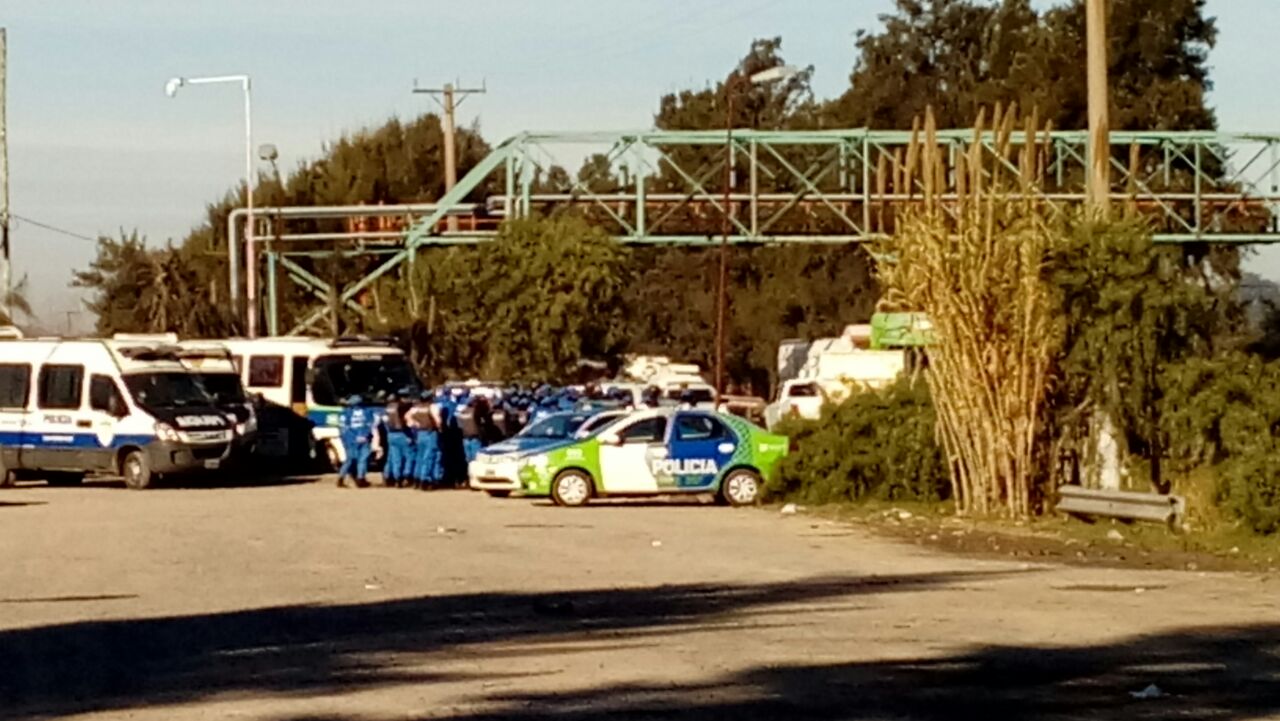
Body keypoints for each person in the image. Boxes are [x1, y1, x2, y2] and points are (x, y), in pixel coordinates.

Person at [336, 394, 373, 488]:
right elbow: (369, 425)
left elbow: (343, 428)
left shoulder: (345, 413)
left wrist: (355, 437)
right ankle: (356, 478)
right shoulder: (367, 412)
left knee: (354, 460)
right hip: (356, 440)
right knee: (359, 460)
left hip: (353, 440)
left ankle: (358, 479)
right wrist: (363, 436)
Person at [407, 391, 441, 490]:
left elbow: (407, 417)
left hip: (419, 433)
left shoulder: (416, 408)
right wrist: (439, 428)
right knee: (429, 456)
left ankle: (417, 478)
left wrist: (414, 424)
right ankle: (425, 479)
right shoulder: (432, 407)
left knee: (420, 456)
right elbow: (438, 420)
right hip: (430, 433)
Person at [381, 390, 413, 488]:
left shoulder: (387, 408)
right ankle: (406, 476)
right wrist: (409, 435)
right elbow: (404, 422)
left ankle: (397, 479)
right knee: (409, 456)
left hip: (391, 434)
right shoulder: (403, 407)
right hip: (402, 433)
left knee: (395, 458)